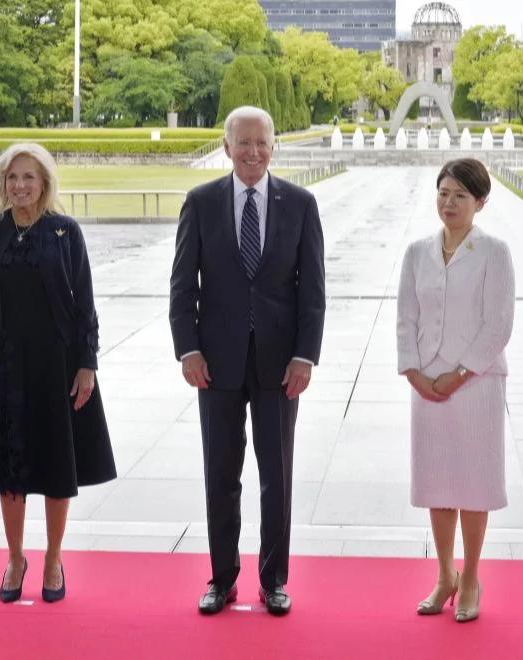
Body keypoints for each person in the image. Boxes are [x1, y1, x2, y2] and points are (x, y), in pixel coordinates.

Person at [169, 105, 326, 616]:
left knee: (276, 475)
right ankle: (222, 578)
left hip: (281, 366)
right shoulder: (201, 202)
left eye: (262, 142)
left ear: (274, 146)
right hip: (215, 364)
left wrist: (306, 355)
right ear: (226, 146)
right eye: (244, 142)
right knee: (220, 473)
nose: (253, 152)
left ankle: (274, 580)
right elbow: (181, 286)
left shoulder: (300, 204)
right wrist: (188, 349)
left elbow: (313, 292)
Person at [0, 142, 115, 603]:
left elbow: (84, 302)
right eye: (13, 178)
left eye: (29, 177)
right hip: (2, 365)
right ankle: (14, 557)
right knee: (10, 468)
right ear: (2, 184)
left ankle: (52, 558)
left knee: (53, 464)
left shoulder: (65, 232)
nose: (20, 186)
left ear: (44, 183)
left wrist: (87, 364)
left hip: (57, 365)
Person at [395, 158, 514, 623]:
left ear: (480, 203)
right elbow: (406, 316)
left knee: (473, 485)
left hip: (477, 384)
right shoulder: (416, 252)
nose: (449, 203)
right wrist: (414, 372)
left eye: (460, 196)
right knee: (438, 483)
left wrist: (460, 373)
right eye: (443, 193)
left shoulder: (494, 253)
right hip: (426, 383)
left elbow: (498, 323)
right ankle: (444, 575)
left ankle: (471, 577)